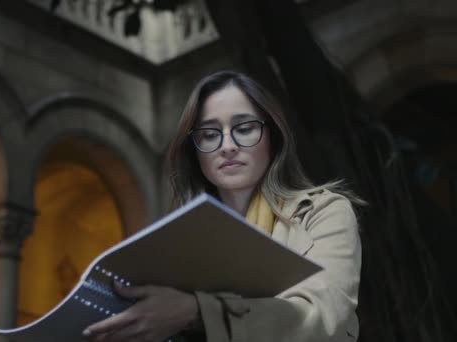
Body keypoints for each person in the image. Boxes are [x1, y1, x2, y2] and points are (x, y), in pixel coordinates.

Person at [83, 70, 362, 342]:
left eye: (244, 128)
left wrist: (196, 312)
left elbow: (325, 319)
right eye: (209, 134)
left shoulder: (324, 211)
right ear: (194, 150)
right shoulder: (178, 241)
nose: (227, 146)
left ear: (273, 137)